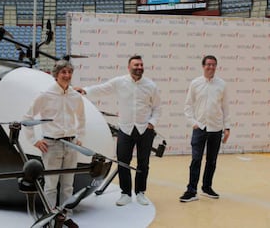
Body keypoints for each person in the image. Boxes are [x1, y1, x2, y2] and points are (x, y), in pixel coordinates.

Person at [75, 55, 161, 206]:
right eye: (136, 65)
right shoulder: (119, 82)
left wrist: (152, 122)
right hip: (125, 129)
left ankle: (140, 192)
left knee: (143, 163)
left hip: (144, 130)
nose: (139, 67)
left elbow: (157, 108)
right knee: (123, 162)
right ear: (129, 67)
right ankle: (125, 193)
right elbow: (102, 89)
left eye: (141, 65)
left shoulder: (151, 85)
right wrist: (85, 90)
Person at [23, 59, 85, 228]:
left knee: (67, 185)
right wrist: (34, 140)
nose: (67, 75)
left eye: (69, 72)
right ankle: (50, 218)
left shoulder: (74, 95)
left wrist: (79, 136)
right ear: (55, 75)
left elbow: (81, 118)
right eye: (63, 72)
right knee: (51, 185)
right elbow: (28, 117)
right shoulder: (45, 94)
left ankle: (65, 217)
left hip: (71, 145)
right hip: (52, 145)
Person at [179, 55, 231, 203]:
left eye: (214, 65)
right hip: (200, 128)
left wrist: (227, 127)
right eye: (208, 64)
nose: (211, 67)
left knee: (212, 160)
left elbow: (225, 107)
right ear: (203, 66)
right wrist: (193, 122)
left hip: (216, 129)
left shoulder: (222, 84)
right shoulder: (195, 83)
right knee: (196, 159)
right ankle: (191, 191)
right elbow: (188, 105)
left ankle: (207, 188)